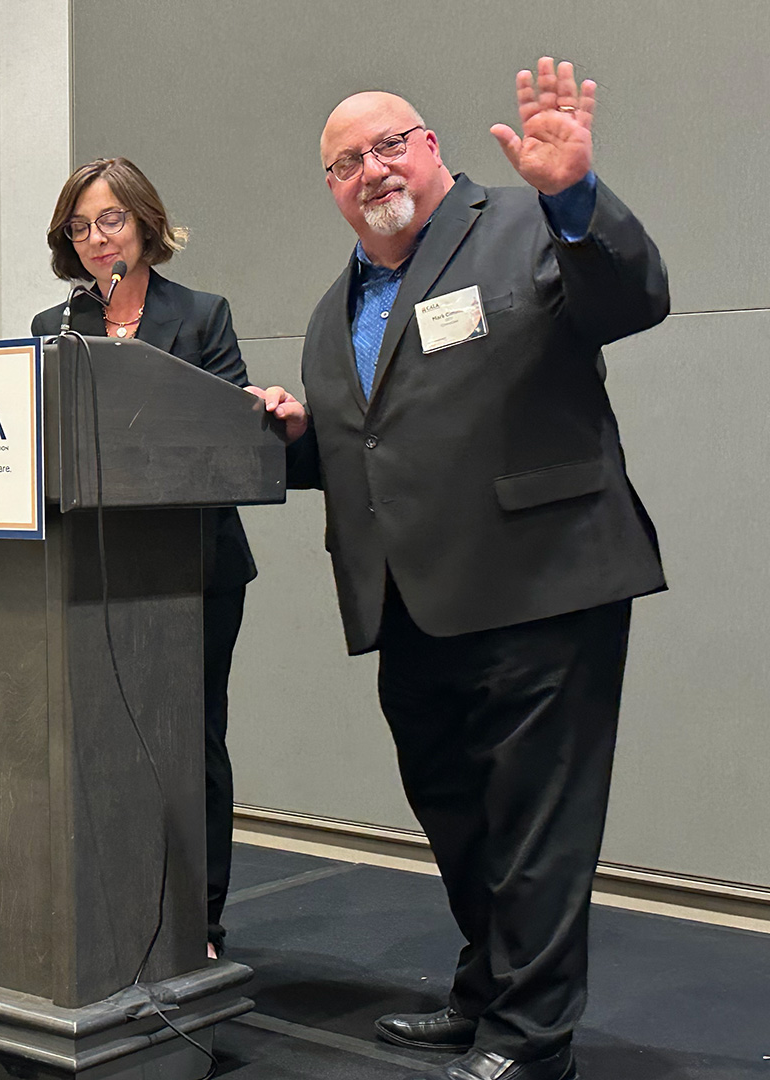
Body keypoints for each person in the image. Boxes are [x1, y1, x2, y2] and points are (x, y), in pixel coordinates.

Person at [249, 59, 669, 1080]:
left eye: (390, 143)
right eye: (346, 162)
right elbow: (377, 452)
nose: (371, 169)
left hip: (543, 582)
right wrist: (295, 437)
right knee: (458, 815)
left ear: (432, 149)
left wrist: (572, 192)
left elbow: (634, 295)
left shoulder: (530, 226)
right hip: (411, 606)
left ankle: (530, 1041)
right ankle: (487, 989)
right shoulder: (329, 312)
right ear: (333, 189)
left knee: (535, 824)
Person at [32, 158, 256, 960]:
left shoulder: (201, 316)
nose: (97, 239)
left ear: (146, 226)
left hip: (196, 566)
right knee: (103, 736)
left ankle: (202, 920)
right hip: (92, 570)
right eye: (80, 227)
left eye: (111, 221)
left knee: (191, 739)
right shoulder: (54, 329)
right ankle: (114, 904)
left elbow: (232, 434)